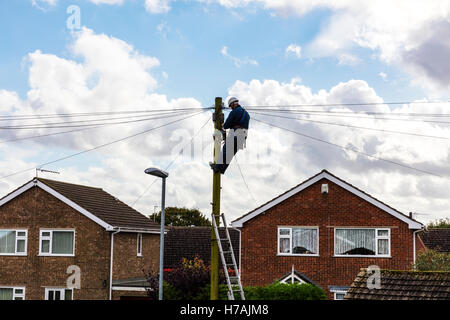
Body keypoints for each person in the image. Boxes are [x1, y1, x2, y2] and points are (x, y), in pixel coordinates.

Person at [210, 97, 250, 174]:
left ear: (232, 104)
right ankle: (221, 170)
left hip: (236, 134)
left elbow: (226, 125)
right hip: (243, 137)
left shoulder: (234, 112)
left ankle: (217, 167)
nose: (231, 108)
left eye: (231, 106)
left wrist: (223, 125)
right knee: (230, 154)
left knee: (225, 151)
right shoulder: (246, 113)